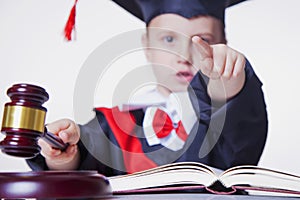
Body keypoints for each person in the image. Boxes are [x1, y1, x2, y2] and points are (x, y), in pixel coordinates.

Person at [27, 0, 268, 176]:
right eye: (169, 39)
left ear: (223, 44)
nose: (183, 56)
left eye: (203, 40)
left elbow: (239, 146)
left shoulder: (221, 113)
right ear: (146, 45)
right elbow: (88, 158)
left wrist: (229, 80)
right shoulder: (118, 123)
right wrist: (63, 154)